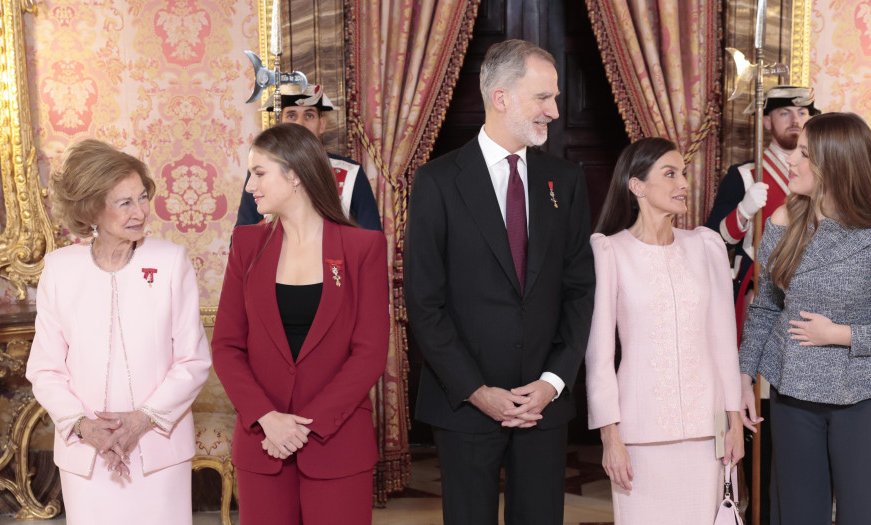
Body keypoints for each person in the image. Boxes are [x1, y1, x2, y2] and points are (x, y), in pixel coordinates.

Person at [405, 39, 596, 525]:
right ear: (502, 97)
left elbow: (579, 291)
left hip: (543, 406)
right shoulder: (437, 181)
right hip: (465, 405)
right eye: (543, 98)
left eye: (555, 98)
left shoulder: (565, 181)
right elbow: (424, 302)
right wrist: (476, 389)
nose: (554, 111)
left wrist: (553, 382)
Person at [738, 112, 871, 525]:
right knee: (795, 514)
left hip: (862, 398)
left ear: (835, 163)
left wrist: (838, 334)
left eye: (804, 153)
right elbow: (766, 307)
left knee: (861, 516)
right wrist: (743, 377)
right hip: (793, 395)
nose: (791, 160)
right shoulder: (782, 221)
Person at [25, 139, 212, 525]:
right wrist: (85, 427)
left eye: (142, 198)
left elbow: (192, 361)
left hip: (157, 448)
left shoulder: (170, 261)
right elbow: (45, 369)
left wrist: (141, 420)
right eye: (124, 202)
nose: (141, 211)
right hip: (87, 452)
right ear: (92, 208)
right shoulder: (59, 269)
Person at [212, 123, 390, 524]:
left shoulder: (363, 248)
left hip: (337, 445)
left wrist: (305, 428)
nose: (250, 186)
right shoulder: (246, 244)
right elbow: (226, 346)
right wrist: (267, 418)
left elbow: (370, 353)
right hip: (263, 443)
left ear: (295, 174)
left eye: (259, 173)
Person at [585, 137, 745, 523]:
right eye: (670, 174)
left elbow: (723, 345)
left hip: (708, 435)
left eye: (684, 174)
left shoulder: (705, 246)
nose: (683, 183)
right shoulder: (610, 251)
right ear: (637, 186)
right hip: (640, 437)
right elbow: (599, 355)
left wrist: (733, 424)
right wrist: (611, 437)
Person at [704, 85, 818, 332]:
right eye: (785, 113)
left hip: (813, 289)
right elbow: (712, 242)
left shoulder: (824, 175)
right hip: (759, 286)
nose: (795, 120)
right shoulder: (743, 175)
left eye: (802, 113)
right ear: (767, 122)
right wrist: (743, 211)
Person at [235, 83, 382, 231]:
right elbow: (242, 241)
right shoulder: (261, 173)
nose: (300, 123)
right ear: (279, 124)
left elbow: (371, 244)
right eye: (292, 115)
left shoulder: (350, 173)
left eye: (309, 115)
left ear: (322, 125)